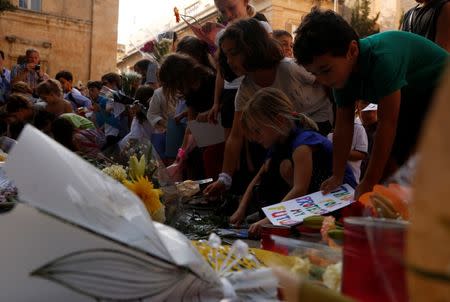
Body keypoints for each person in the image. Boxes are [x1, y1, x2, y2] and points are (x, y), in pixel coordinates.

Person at [293, 8, 449, 199]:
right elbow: (343, 127)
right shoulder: (340, 77)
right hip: (414, 96)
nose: (323, 80)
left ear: (352, 50)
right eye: (315, 73)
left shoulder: (382, 59)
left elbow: (387, 124)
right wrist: (337, 174)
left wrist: (368, 181)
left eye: (325, 70)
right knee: (393, 167)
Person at [204, 18, 333, 197]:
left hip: (318, 125)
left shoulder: (289, 68)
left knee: (288, 168)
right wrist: (224, 178)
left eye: (233, 53)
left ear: (251, 47)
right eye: (226, 55)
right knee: (271, 167)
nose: (229, 60)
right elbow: (235, 136)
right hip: (289, 131)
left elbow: (326, 83)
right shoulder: (245, 90)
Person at [232, 87, 356, 236]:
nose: (254, 138)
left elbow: (300, 190)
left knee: (285, 167)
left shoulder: (302, 144)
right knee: (278, 167)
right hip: (315, 199)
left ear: (279, 120)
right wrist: (241, 209)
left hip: (338, 199)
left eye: (257, 131)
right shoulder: (278, 141)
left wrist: (268, 220)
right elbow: (257, 178)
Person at [159, 53, 222, 179]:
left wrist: (209, 114)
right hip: (207, 138)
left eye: (175, 84)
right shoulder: (190, 91)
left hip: (221, 136)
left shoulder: (210, 80)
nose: (178, 89)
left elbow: (226, 105)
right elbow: (191, 125)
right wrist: (181, 153)